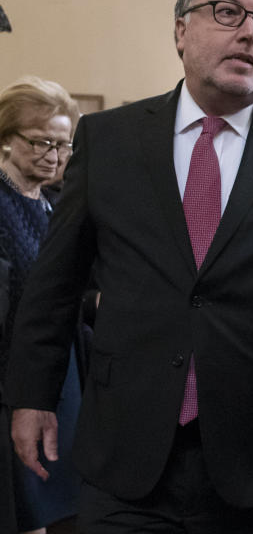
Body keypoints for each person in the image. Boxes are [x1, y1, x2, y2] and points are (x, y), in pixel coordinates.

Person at [4, 0, 253, 532]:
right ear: (181, 30)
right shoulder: (109, 142)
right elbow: (55, 286)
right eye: (227, 12)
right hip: (127, 456)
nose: (249, 33)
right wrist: (33, 395)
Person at [0, 78, 81, 534]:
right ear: (7, 140)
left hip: (65, 372)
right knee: (26, 508)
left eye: (63, 145)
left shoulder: (56, 203)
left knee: (64, 506)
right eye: (40, 142)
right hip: (13, 378)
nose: (53, 154)